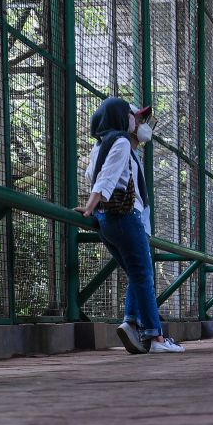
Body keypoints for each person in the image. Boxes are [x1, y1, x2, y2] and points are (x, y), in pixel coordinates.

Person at [75, 96, 184, 354]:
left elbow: (94, 175)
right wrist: (90, 205)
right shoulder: (122, 141)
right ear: (122, 118)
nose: (139, 121)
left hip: (106, 220)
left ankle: (131, 323)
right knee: (144, 276)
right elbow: (105, 179)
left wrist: (95, 210)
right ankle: (155, 337)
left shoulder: (100, 146)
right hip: (124, 217)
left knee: (137, 275)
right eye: (134, 116)